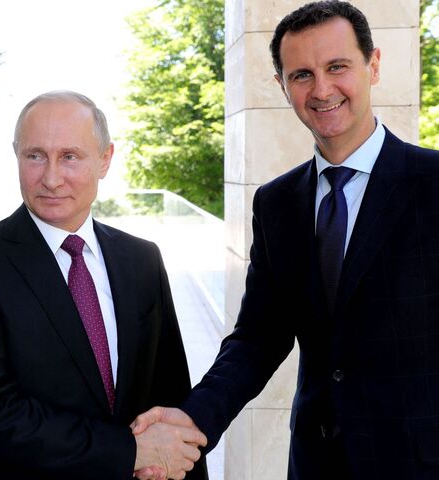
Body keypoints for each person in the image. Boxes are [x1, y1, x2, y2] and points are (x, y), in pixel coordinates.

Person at [132, 1, 439, 479]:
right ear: (281, 85)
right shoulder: (277, 203)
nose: (321, 89)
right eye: (301, 75)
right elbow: (258, 338)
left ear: (373, 65)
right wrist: (192, 420)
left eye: (337, 67)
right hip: (315, 464)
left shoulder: (433, 183)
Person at [0, 90, 208, 480]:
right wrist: (128, 451)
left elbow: (171, 395)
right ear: (17, 156)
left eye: (70, 157)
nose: (51, 178)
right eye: (35, 155)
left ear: (105, 160)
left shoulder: (142, 260)